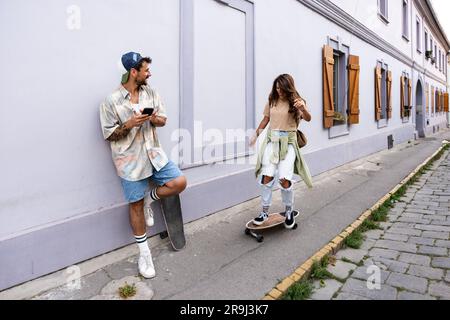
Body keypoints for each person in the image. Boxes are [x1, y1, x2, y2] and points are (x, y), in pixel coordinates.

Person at [99, 52, 187, 279]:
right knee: (135, 205)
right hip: (129, 161)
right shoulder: (111, 101)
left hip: (154, 154)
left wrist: (151, 118)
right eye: (146, 70)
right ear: (133, 72)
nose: (150, 73)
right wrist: (129, 123)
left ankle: (152, 198)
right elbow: (109, 135)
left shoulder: (151, 93)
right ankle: (144, 253)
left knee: (179, 182)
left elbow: (163, 120)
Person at [250, 74, 313, 228]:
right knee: (266, 176)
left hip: (289, 143)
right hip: (272, 142)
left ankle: (289, 210)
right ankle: (264, 211)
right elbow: (265, 120)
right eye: (277, 87)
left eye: (281, 88)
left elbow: (308, 118)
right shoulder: (272, 100)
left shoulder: (297, 102)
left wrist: (303, 109)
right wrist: (255, 136)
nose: (279, 91)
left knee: (284, 179)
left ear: (288, 87)